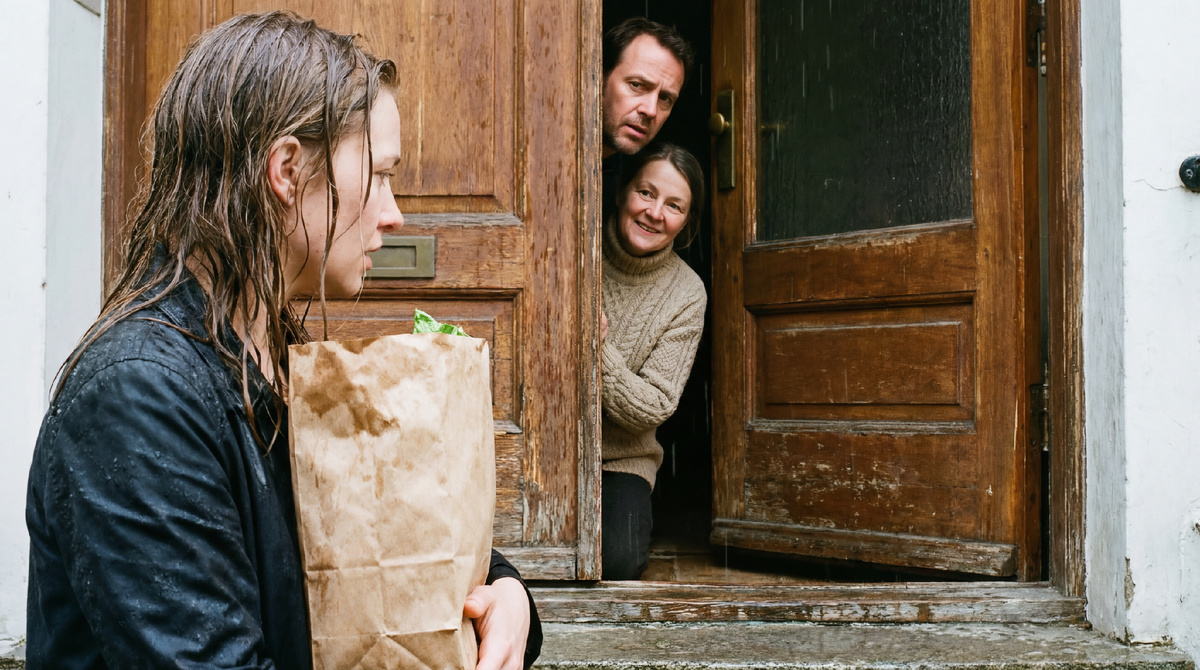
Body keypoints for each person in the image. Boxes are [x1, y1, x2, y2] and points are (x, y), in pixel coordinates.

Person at [25, 12, 540, 669]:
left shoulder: (276, 357)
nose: (394, 213)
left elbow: (400, 532)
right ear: (288, 170)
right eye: (380, 175)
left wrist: (510, 597)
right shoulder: (136, 399)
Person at [599, 143, 707, 580]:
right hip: (545, 444)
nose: (655, 213)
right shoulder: (573, 249)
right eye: (646, 193)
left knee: (617, 561)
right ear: (621, 191)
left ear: (686, 223)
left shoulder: (687, 293)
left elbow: (654, 405)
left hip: (621, 458)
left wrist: (595, 348)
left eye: (674, 206)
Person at [601, 17, 694, 222]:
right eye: (637, 85)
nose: (651, 111)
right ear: (599, 79)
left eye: (665, 98)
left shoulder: (636, 178)